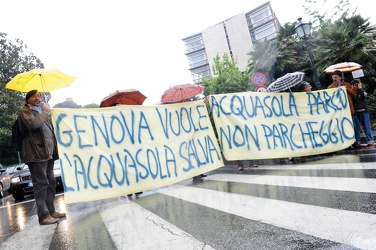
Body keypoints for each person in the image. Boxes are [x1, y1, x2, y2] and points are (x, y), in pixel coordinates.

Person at [18, 90, 66, 225]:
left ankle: (51, 211)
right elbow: (33, 125)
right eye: (34, 96)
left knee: (50, 183)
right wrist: (44, 112)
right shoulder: (25, 111)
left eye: (39, 96)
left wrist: (47, 113)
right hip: (36, 154)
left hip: (48, 154)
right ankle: (43, 216)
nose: (37, 98)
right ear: (28, 99)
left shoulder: (41, 112)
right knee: (41, 184)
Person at [327, 70, 359, 148]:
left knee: (354, 126)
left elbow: (354, 94)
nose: (334, 79)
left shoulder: (347, 84)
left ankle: (356, 141)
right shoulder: (330, 87)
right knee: (344, 127)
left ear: (340, 77)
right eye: (333, 77)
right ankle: (347, 144)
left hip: (350, 110)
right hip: (339, 112)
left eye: (336, 77)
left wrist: (347, 89)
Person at [351, 79, 375, 146]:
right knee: (356, 127)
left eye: (356, 85)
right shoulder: (351, 93)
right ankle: (357, 140)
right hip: (356, 112)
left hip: (364, 111)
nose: (354, 86)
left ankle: (370, 139)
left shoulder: (362, 92)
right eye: (354, 85)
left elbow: (364, 95)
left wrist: (360, 89)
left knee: (366, 126)